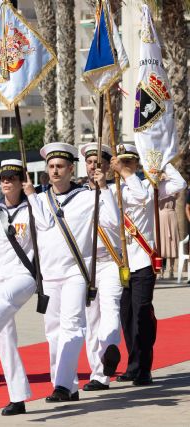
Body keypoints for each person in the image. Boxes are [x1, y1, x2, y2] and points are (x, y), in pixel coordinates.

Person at [29, 142, 120, 402]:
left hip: (76, 272)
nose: (55, 171)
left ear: (71, 169)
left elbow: (113, 223)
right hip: (48, 274)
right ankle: (67, 385)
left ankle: (60, 385)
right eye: (52, 166)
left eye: (61, 166)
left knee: (73, 327)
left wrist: (103, 189)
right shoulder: (39, 197)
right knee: (53, 331)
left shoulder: (86, 196)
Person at [0, 159, 52, 415]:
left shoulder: (33, 208)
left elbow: (47, 225)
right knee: (6, 340)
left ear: (21, 182)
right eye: (3, 178)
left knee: (5, 299)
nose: (6, 182)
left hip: (24, 274)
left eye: (12, 179)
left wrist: (33, 196)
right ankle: (17, 397)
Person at [112, 144, 186, 386]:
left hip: (143, 260)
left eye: (129, 162)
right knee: (127, 315)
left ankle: (144, 368)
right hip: (122, 262)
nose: (125, 166)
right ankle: (133, 365)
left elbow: (180, 184)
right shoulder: (114, 191)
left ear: (137, 164)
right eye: (122, 162)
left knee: (142, 314)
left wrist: (160, 161)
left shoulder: (148, 187)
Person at [79, 143, 127, 392]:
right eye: (90, 162)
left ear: (108, 166)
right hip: (86, 265)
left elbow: (114, 223)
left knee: (111, 309)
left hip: (109, 262)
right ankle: (98, 374)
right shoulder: (77, 194)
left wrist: (104, 188)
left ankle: (109, 350)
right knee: (91, 320)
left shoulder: (117, 192)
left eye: (99, 162)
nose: (93, 166)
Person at [158, 194, 179, 279]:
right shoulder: (159, 189)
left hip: (171, 215)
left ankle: (171, 270)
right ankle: (161, 271)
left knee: (172, 242)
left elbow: (177, 195)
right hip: (161, 216)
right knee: (162, 243)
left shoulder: (174, 188)